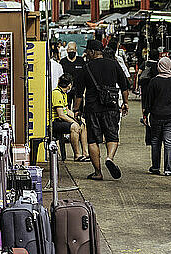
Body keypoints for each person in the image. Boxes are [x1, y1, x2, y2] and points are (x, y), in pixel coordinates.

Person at [74, 39, 129, 181]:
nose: (86, 53)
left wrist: (76, 110)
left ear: (92, 52)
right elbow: (124, 86)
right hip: (111, 106)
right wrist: (126, 103)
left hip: (92, 108)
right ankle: (109, 158)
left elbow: (79, 94)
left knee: (92, 140)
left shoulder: (85, 68)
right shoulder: (113, 64)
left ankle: (98, 172)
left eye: (87, 51)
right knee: (112, 136)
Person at [144, 57, 171, 176]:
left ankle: (155, 167)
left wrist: (146, 114)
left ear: (159, 67)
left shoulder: (153, 81)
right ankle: (168, 169)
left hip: (156, 117)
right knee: (169, 142)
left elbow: (149, 100)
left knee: (156, 141)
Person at [52, 74, 89, 161]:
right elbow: (61, 114)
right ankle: (77, 155)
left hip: (61, 120)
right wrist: (74, 122)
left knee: (83, 124)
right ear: (69, 85)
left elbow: (66, 110)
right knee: (74, 127)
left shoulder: (63, 93)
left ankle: (85, 152)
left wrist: (78, 119)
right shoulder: (56, 94)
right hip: (54, 122)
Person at [60, 42, 85, 109]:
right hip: (66, 90)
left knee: (78, 110)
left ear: (76, 50)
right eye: (70, 49)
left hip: (79, 91)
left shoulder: (81, 61)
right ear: (67, 50)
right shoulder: (63, 62)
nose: (71, 51)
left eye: (73, 50)